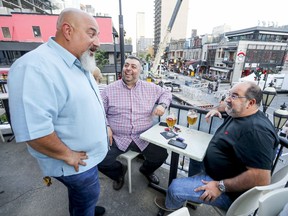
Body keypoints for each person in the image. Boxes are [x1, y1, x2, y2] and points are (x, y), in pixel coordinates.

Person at [8, 8, 108, 216]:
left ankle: (84, 207)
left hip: (88, 158)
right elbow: (33, 130)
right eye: (92, 33)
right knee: (88, 194)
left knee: (84, 196)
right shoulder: (35, 66)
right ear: (68, 30)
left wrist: (104, 127)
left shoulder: (78, 60)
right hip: (76, 163)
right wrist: (67, 155)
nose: (98, 42)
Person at [155, 81, 279, 212]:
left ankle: (171, 209)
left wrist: (221, 186)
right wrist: (215, 109)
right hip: (217, 171)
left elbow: (262, 178)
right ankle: (191, 197)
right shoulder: (239, 112)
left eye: (235, 96)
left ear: (251, 103)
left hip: (229, 192)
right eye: (229, 94)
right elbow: (224, 105)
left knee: (175, 188)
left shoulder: (257, 131)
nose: (228, 99)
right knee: (195, 158)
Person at [98, 55, 172, 191]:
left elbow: (167, 93)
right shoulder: (109, 89)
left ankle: (146, 170)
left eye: (133, 66)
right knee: (99, 160)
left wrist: (162, 105)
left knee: (161, 155)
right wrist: (106, 126)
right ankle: (119, 173)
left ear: (140, 71)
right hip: (117, 137)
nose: (128, 69)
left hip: (143, 136)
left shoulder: (150, 88)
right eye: (126, 65)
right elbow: (99, 111)